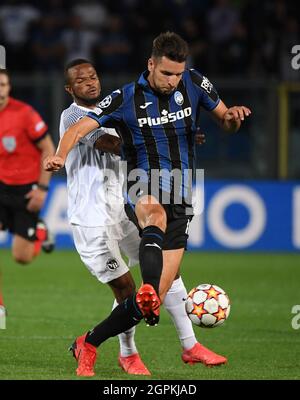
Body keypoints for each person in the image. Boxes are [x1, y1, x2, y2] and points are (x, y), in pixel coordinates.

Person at [45, 32, 251, 376]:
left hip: (154, 199)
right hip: (96, 214)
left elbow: (221, 118)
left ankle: (184, 345)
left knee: (156, 290)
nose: (89, 82)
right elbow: (108, 141)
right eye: (80, 80)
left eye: (92, 76)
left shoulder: (188, 86)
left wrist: (206, 124)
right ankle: (123, 351)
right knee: (129, 286)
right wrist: (59, 155)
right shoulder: (95, 110)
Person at [0, 68, 55, 325]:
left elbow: (48, 148)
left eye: (2, 85)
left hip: (25, 190)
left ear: (8, 88)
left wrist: (42, 189)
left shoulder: (24, 113)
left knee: (21, 258)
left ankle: (39, 232)